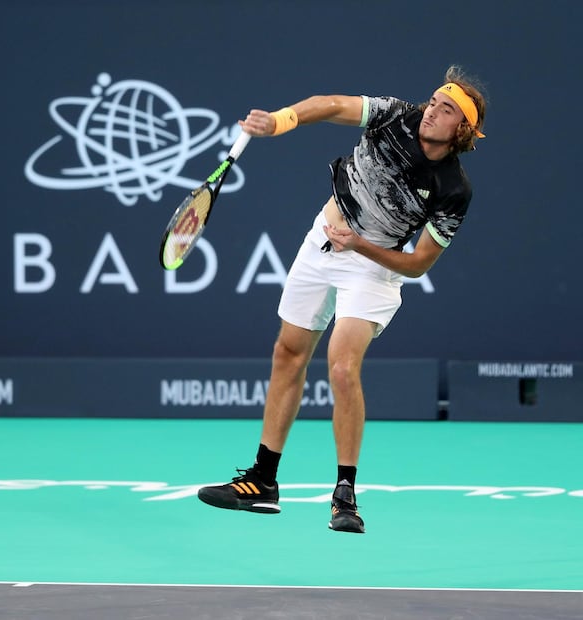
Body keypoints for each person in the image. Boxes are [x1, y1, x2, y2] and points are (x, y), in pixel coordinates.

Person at [197, 66, 487, 533]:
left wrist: (362, 246)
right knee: (287, 354)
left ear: (463, 130)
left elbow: (417, 264)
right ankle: (263, 482)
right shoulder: (396, 115)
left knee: (340, 364)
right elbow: (331, 104)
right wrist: (280, 120)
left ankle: (345, 496)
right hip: (324, 241)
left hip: (375, 265)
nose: (431, 110)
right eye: (434, 100)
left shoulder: (454, 189)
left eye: (446, 109)